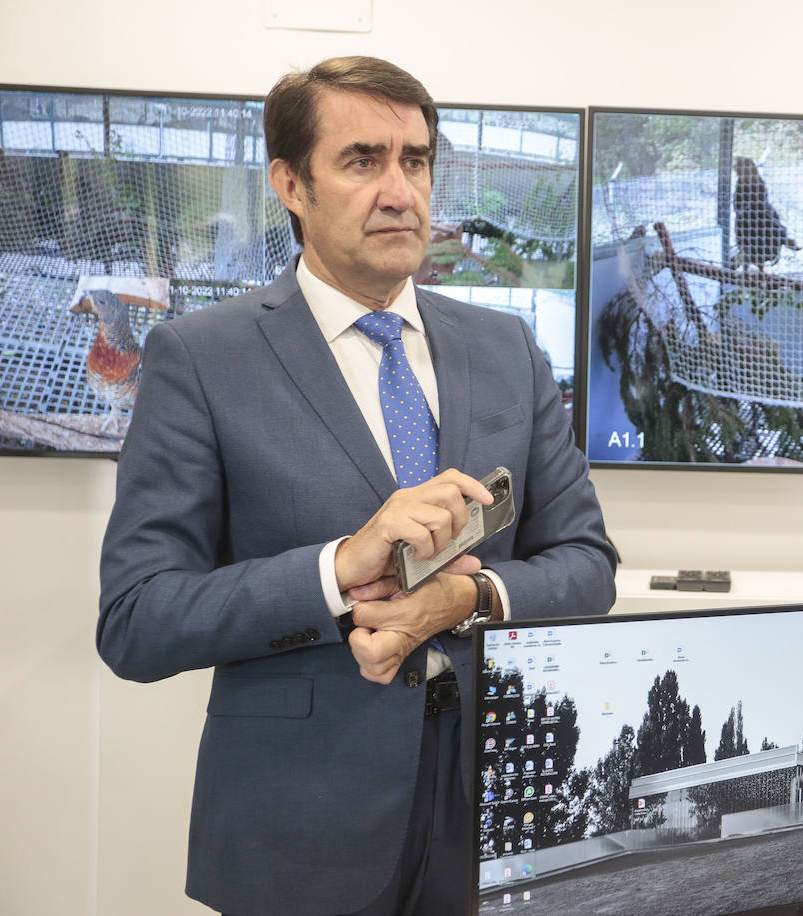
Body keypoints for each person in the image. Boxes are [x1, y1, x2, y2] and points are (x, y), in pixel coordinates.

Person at [95, 56, 616, 916]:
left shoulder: (506, 349)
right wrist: (338, 569)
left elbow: (588, 566)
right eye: (363, 160)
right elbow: (138, 620)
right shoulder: (201, 358)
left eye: (415, 161)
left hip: (506, 815)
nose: (400, 191)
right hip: (300, 831)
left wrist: (467, 597)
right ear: (290, 183)